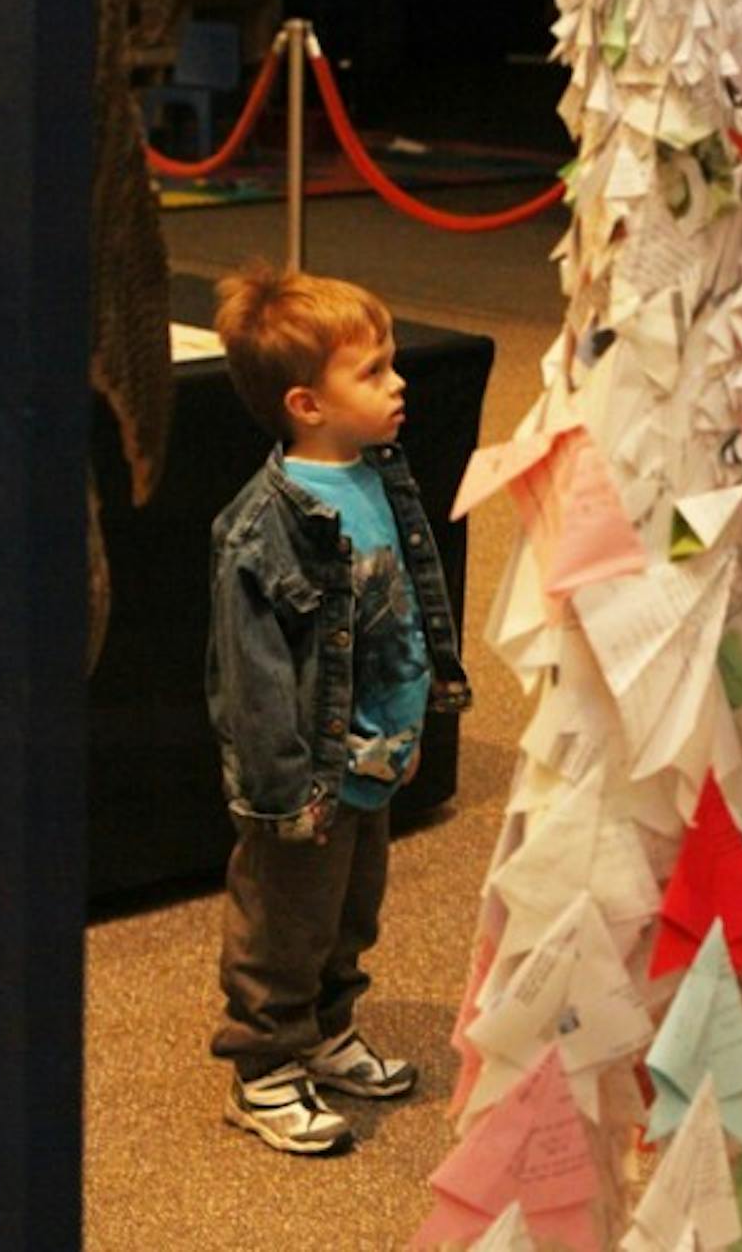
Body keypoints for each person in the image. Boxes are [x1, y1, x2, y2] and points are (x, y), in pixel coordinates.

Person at [207, 261, 472, 1155]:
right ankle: (264, 1065)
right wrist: (286, 794)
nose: (399, 383)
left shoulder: (381, 474)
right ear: (305, 404)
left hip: (375, 756)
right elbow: (252, 678)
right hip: (307, 780)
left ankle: (324, 1030)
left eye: (391, 363)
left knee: (350, 912)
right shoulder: (263, 527)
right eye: (373, 371)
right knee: (284, 921)